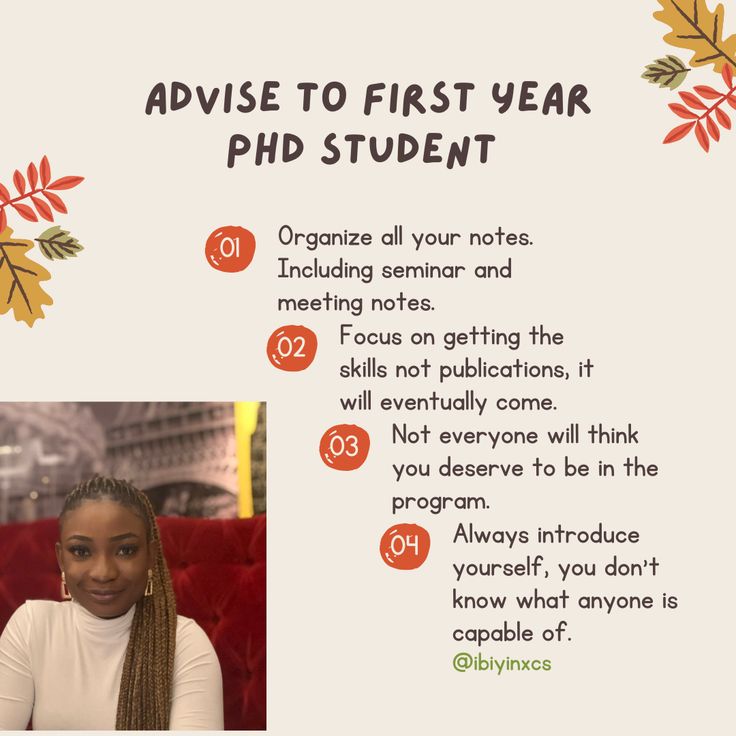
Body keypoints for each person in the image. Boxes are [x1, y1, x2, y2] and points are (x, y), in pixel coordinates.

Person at [0, 477, 224, 730]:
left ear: (150, 556)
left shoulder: (185, 644)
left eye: (125, 550)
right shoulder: (31, 627)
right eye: (81, 552)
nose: (103, 572)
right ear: (61, 559)